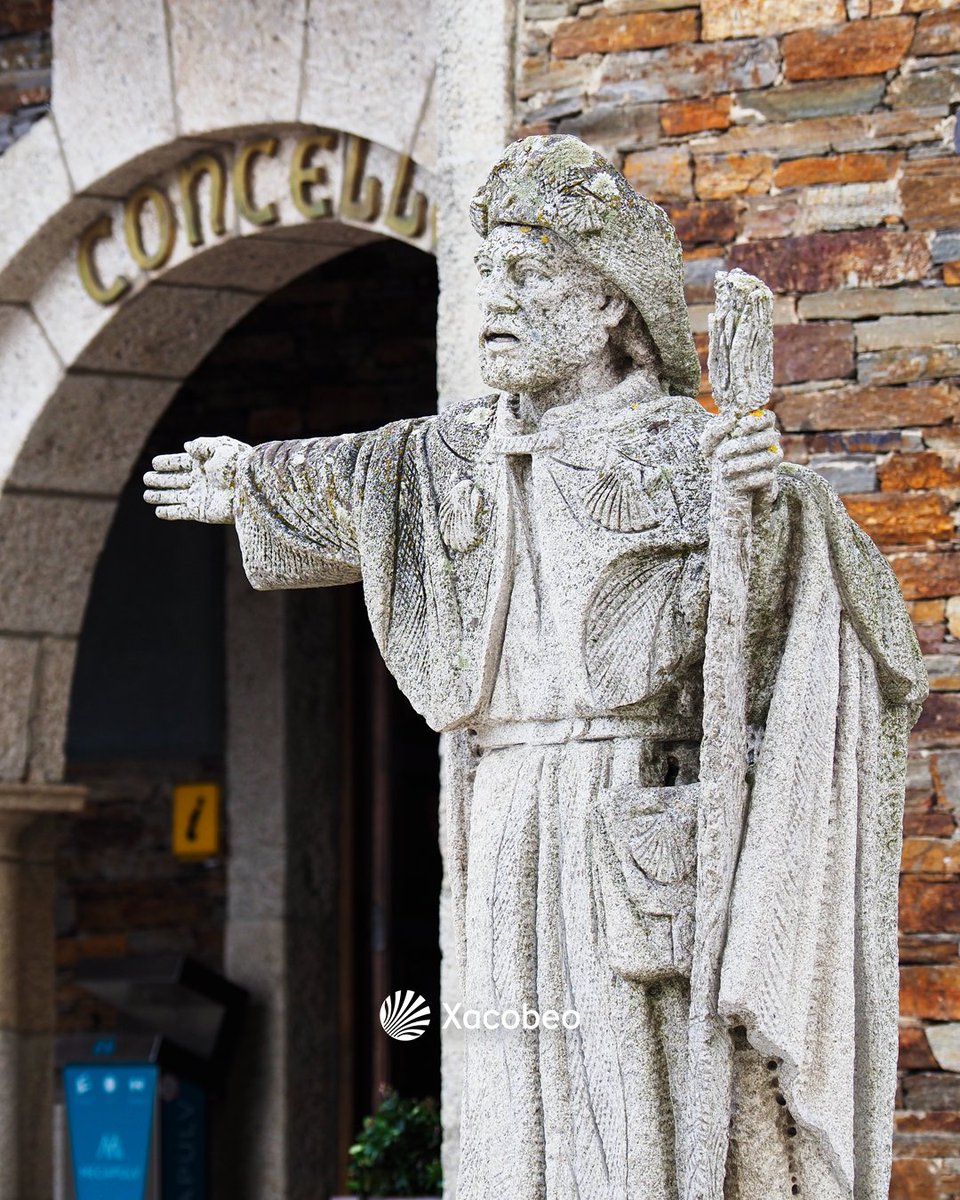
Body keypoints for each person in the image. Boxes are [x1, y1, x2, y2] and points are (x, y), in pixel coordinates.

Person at [145, 135, 925, 1199]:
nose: (497, 301)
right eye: (489, 278)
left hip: (630, 804)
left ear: (610, 305)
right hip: (498, 802)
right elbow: (352, 479)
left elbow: (808, 619)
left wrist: (776, 508)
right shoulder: (453, 452)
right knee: (504, 1086)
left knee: (624, 1086)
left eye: (529, 276)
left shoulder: (685, 449)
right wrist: (248, 481)